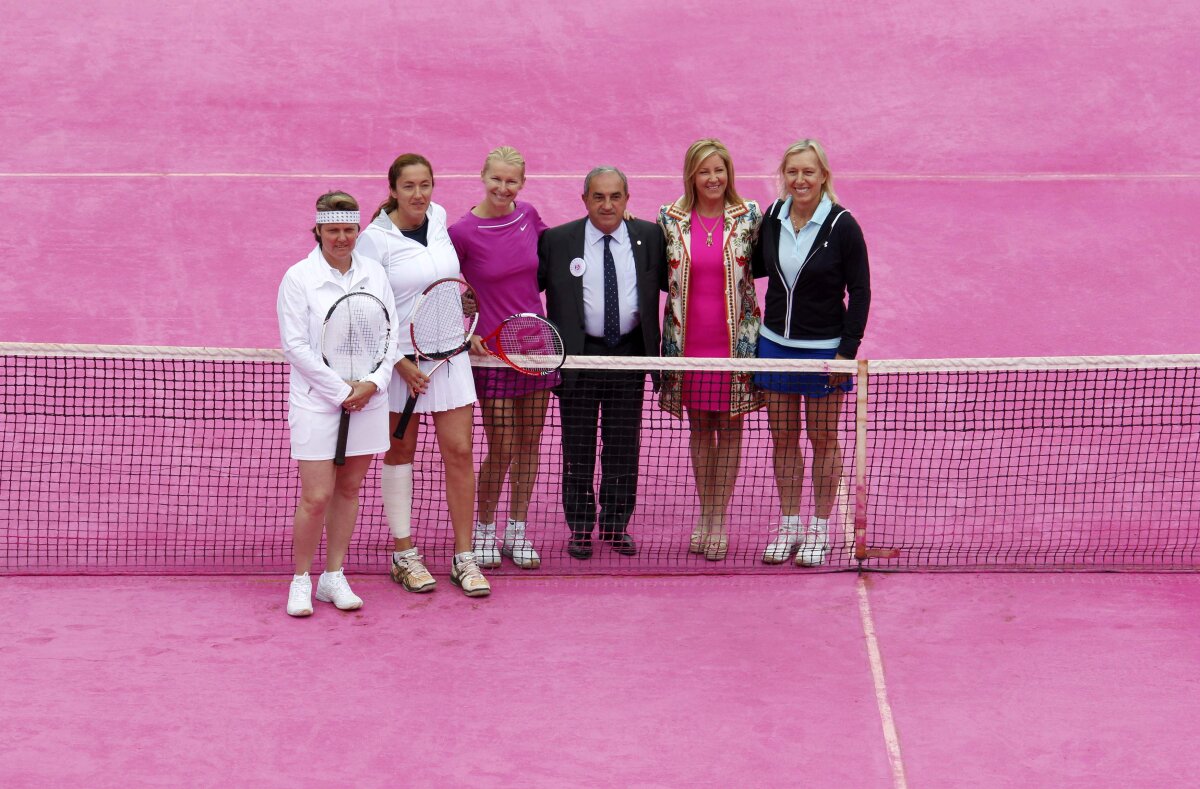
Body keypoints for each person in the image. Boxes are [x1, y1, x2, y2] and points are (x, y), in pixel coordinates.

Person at [355, 153, 490, 597]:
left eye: (426, 184)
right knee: (400, 455)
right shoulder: (374, 241)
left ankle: (464, 557)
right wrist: (399, 362)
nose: (419, 194)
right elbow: (370, 309)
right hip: (400, 365)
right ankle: (404, 554)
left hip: (449, 357)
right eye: (409, 186)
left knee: (460, 452)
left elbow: (447, 283)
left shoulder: (439, 219)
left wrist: (462, 327)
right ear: (392, 189)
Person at [276, 191, 399, 617]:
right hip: (316, 403)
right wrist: (339, 390)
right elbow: (295, 346)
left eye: (349, 230)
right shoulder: (298, 278)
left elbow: (391, 334)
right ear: (318, 231)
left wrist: (371, 383)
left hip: (368, 400)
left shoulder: (374, 273)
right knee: (316, 495)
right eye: (333, 231)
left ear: (358, 229)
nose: (342, 238)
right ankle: (301, 580)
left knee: (349, 490)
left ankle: (333, 576)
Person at [537, 166, 667, 559]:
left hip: (628, 355)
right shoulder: (558, 241)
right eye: (599, 197)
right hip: (578, 357)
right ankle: (580, 528)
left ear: (627, 199)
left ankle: (615, 524)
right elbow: (523, 285)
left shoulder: (649, 237)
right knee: (577, 447)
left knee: (623, 446)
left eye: (615, 197)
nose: (607, 204)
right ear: (584, 200)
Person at [753, 139, 871, 567]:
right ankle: (789, 526)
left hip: (823, 352)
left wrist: (846, 353)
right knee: (782, 438)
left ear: (823, 176)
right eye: (792, 172)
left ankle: (819, 529)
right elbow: (755, 266)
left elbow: (860, 292)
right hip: (774, 347)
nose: (799, 180)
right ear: (783, 176)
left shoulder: (842, 225)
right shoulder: (771, 217)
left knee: (823, 439)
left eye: (808, 172)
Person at [450, 146, 555, 570]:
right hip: (493, 353)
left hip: (537, 347)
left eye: (511, 181)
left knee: (531, 444)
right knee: (503, 445)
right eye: (496, 179)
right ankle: (484, 529)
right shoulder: (463, 231)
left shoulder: (529, 215)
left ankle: (517, 528)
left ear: (522, 184)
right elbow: (442, 287)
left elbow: (554, 261)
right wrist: (465, 330)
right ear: (483, 176)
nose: (503, 187)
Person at [658, 139, 763, 561]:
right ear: (692, 176)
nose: (713, 178)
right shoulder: (670, 219)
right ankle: (706, 513)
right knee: (700, 428)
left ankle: (719, 519)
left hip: (734, 345)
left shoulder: (750, 217)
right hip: (688, 344)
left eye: (719, 170)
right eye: (704, 171)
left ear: (729, 173)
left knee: (731, 428)